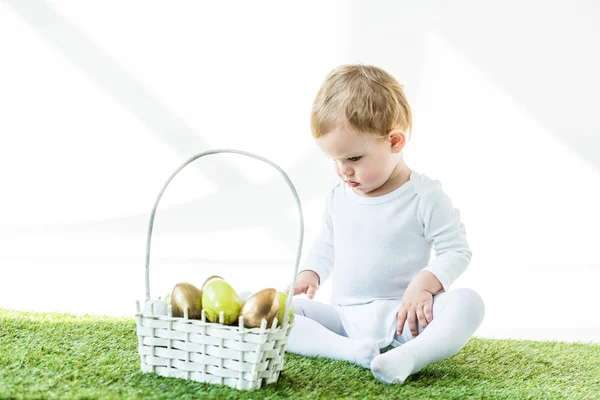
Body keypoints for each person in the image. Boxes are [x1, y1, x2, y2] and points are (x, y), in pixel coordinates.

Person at [286, 64, 485, 384]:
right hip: (344, 319)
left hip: (406, 319)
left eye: (352, 159)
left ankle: (409, 356)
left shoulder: (424, 196)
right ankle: (349, 352)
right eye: (334, 160)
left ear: (395, 141)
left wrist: (425, 283)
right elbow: (327, 242)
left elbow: (456, 250)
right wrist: (311, 271)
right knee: (278, 313)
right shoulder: (339, 196)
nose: (342, 171)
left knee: (469, 303)